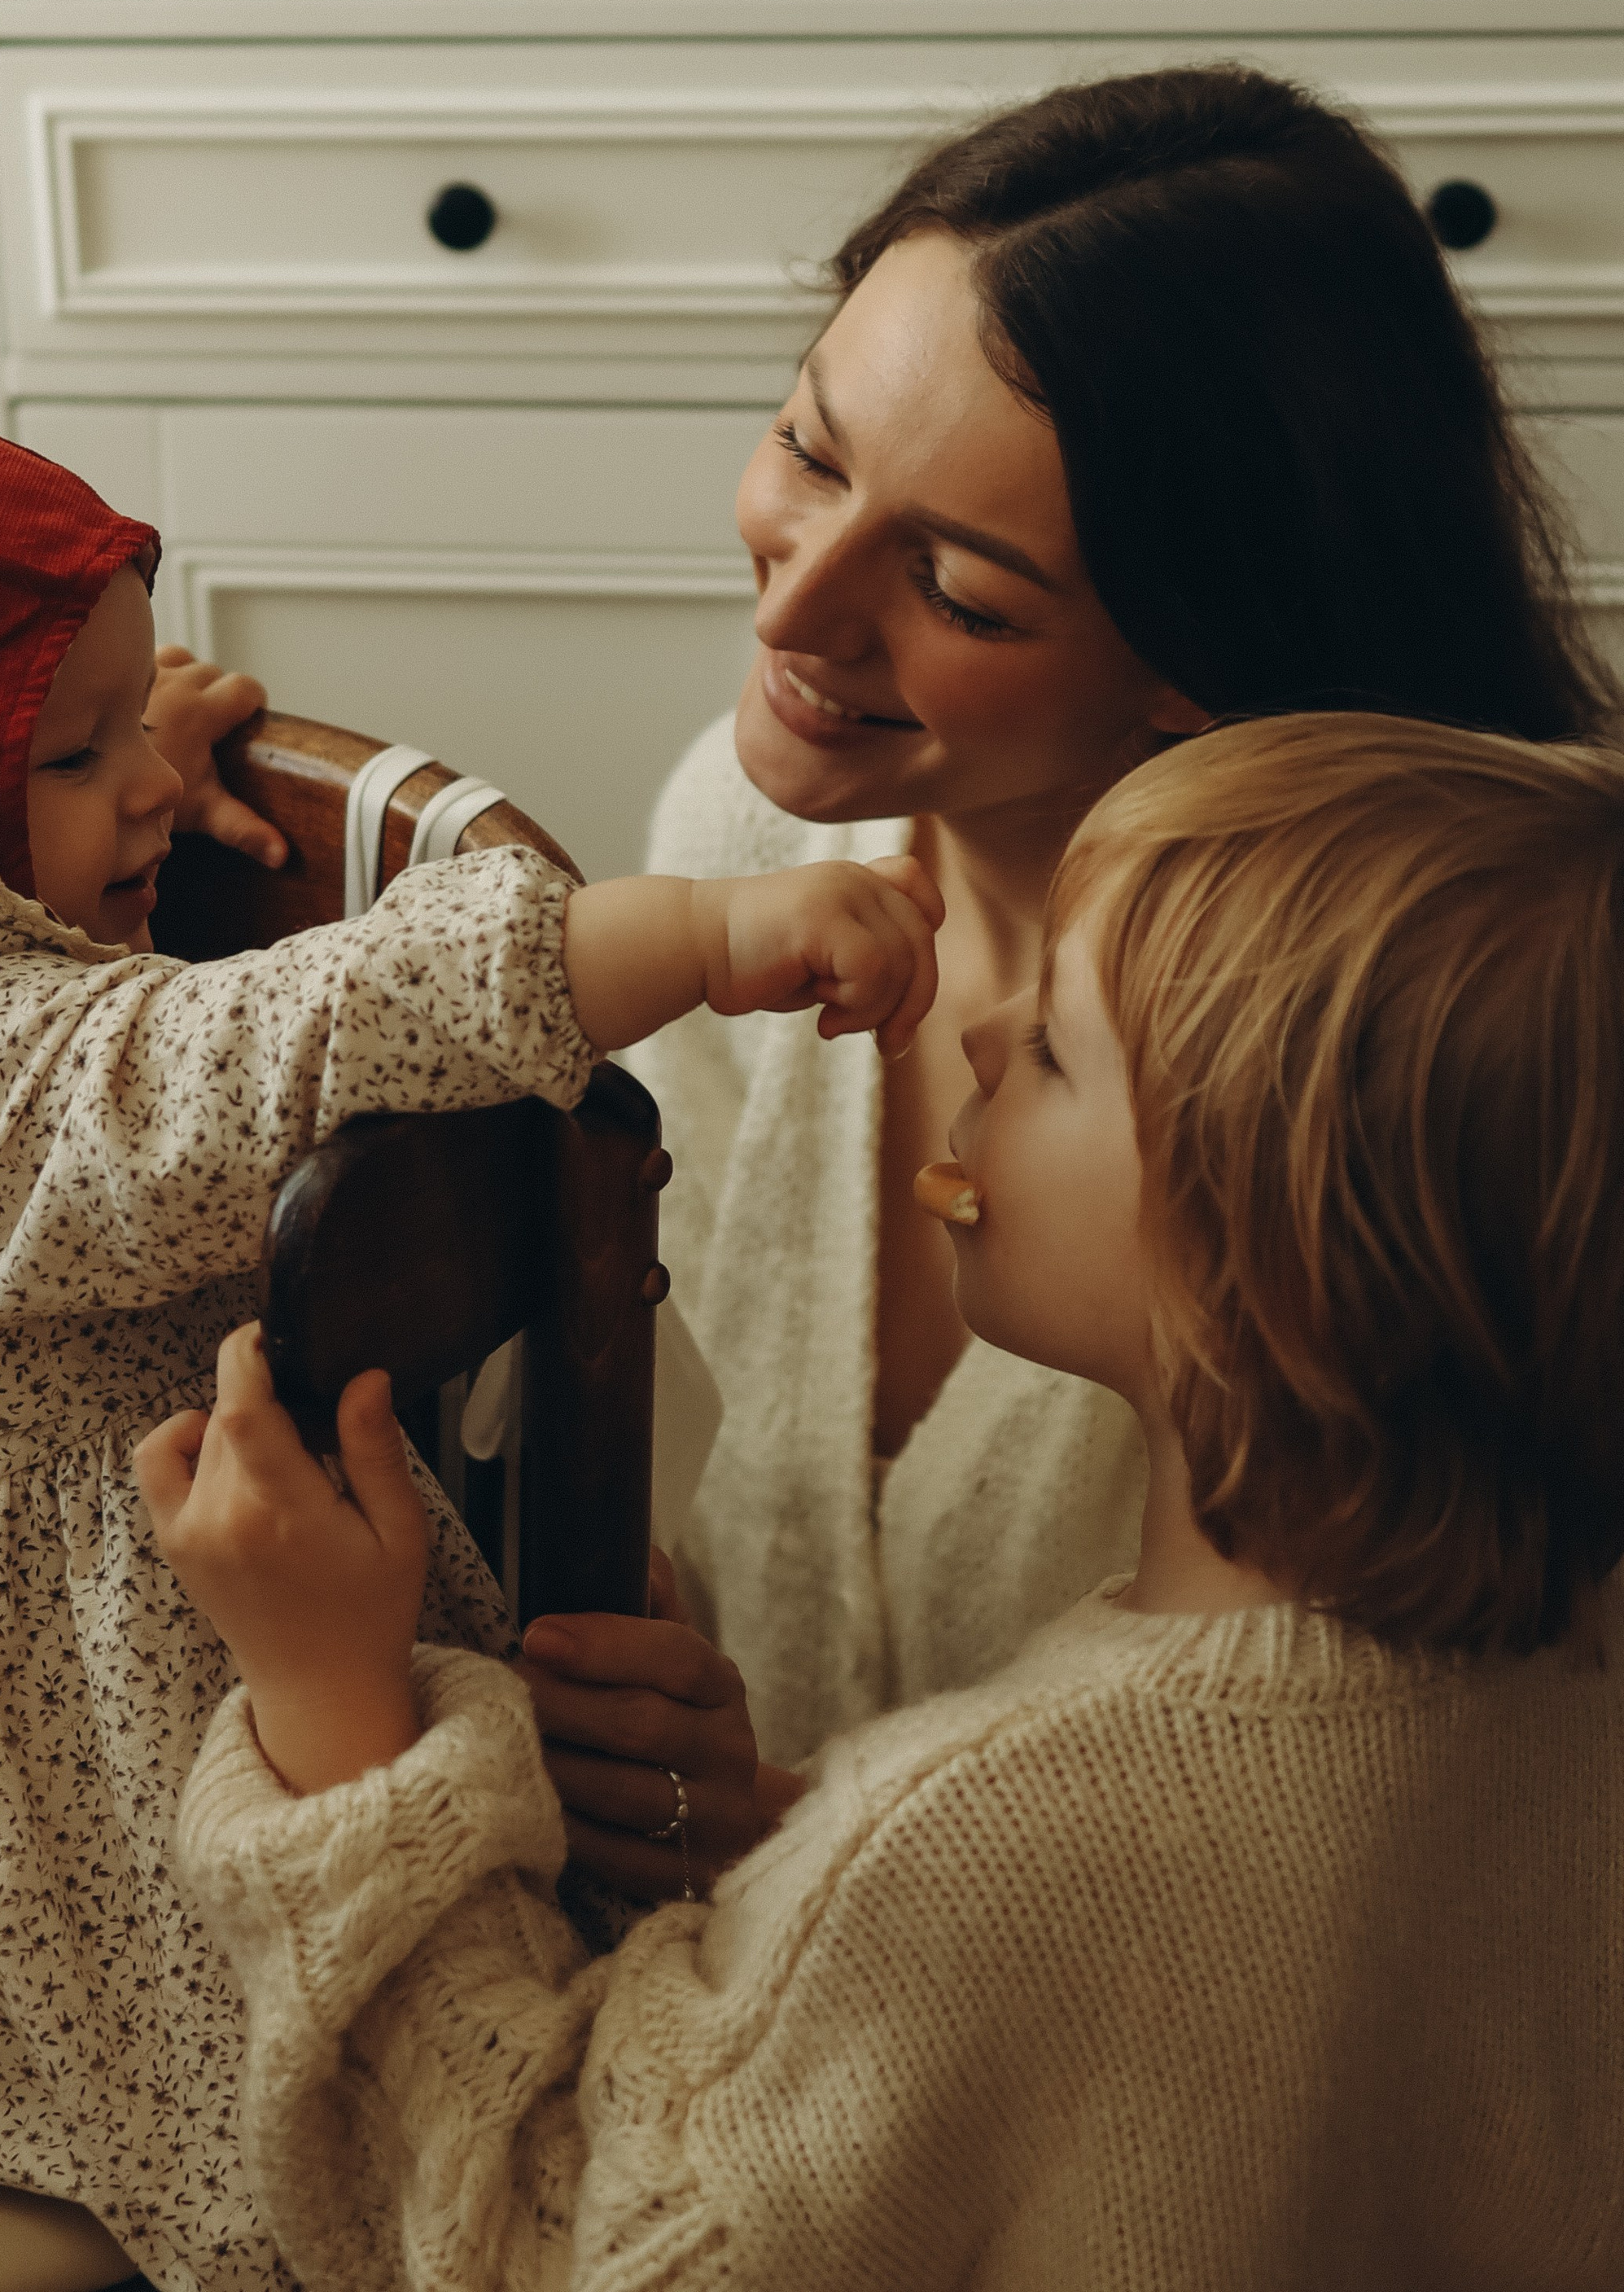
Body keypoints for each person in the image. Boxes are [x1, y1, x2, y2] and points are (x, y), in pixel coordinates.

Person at [0, 217, 937, 2292]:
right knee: (206, 2067)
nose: (147, 791)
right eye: (73, 755)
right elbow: (297, 1032)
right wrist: (708, 935)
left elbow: (19, 843)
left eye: (133, 725)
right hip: (44, 1696)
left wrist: (109, 744)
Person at [143, 710, 1624, 2292]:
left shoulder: (967, 1846)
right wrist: (797, 1864)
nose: (981, 1034)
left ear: (1268, 1277)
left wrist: (334, 1715)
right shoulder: (1566, 1702)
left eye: (1056, 1049)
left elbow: (541, 2245)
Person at [550, 62, 1610, 1898]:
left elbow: (1431, 1815)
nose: (791, 612)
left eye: (954, 589)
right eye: (809, 448)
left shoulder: (1424, 1079)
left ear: (1195, 658)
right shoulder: (738, 840)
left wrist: (810, 1843)